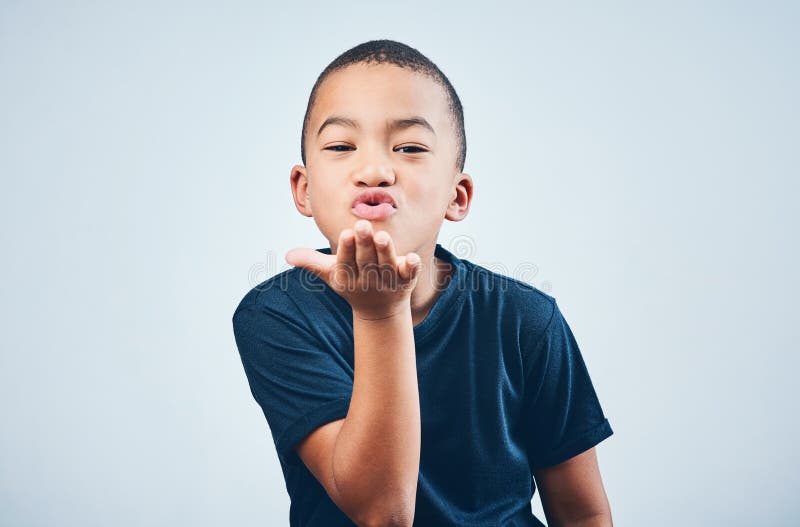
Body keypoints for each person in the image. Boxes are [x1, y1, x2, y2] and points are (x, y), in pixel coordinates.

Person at [232, 39, 614, 527]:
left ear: (458, 196)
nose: (374, 170)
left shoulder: (527, 321)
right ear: (304, 190)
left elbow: (583, 514)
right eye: (342, 147)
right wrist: (379, 312)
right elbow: (382, 512)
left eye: (410, 147)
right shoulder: (277, 315)